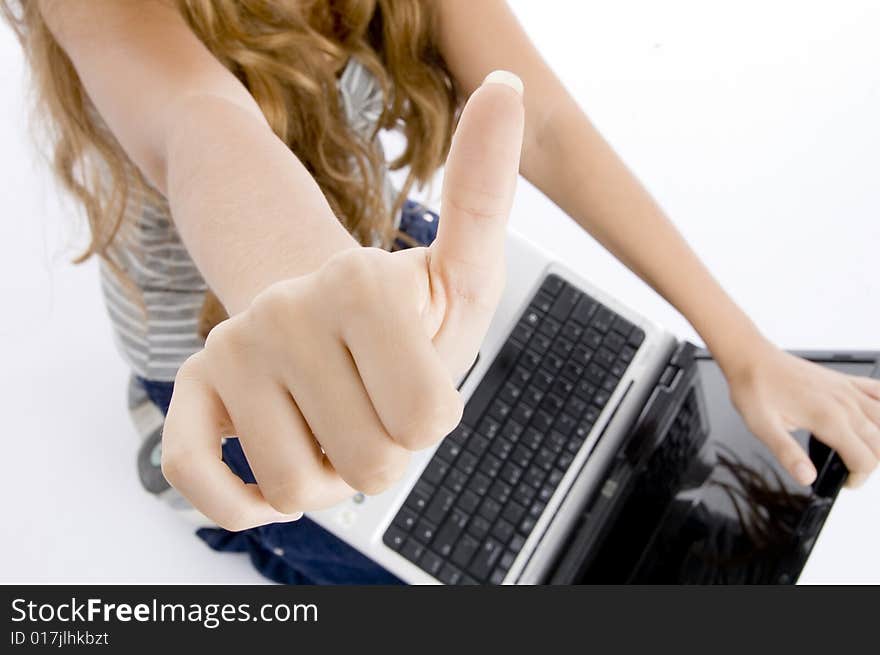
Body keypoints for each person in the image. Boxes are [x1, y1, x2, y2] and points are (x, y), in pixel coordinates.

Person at [3, 0, 878, 584]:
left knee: (615, 468)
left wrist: (745, 347)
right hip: (224, 360)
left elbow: (547, 125)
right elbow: (195, 122)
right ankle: (209, 480)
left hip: (374, 251)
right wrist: (313, 287)